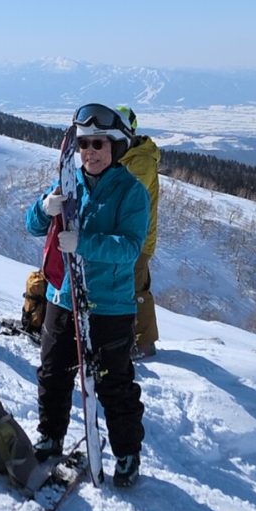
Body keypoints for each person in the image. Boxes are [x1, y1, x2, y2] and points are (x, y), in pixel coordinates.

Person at [24, 103, 150, 487]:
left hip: (110, 304)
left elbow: (129, 247)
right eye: (84, 144)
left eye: (98, 144)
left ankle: (127, 453)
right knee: (52, 372)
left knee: (114, 383)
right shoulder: (68, 181)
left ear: (114, 148)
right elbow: (32, 225)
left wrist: (84, 243)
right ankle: (50, 435)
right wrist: (44, 210)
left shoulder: (132, 192)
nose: (90, 152)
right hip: (65, 298)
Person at [115, 105, 161, 359]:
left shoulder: (141, 161)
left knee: (137, 287)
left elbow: (127, 193)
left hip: (140, 238)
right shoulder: (129, 155)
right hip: (128, 236)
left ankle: (145, 343)